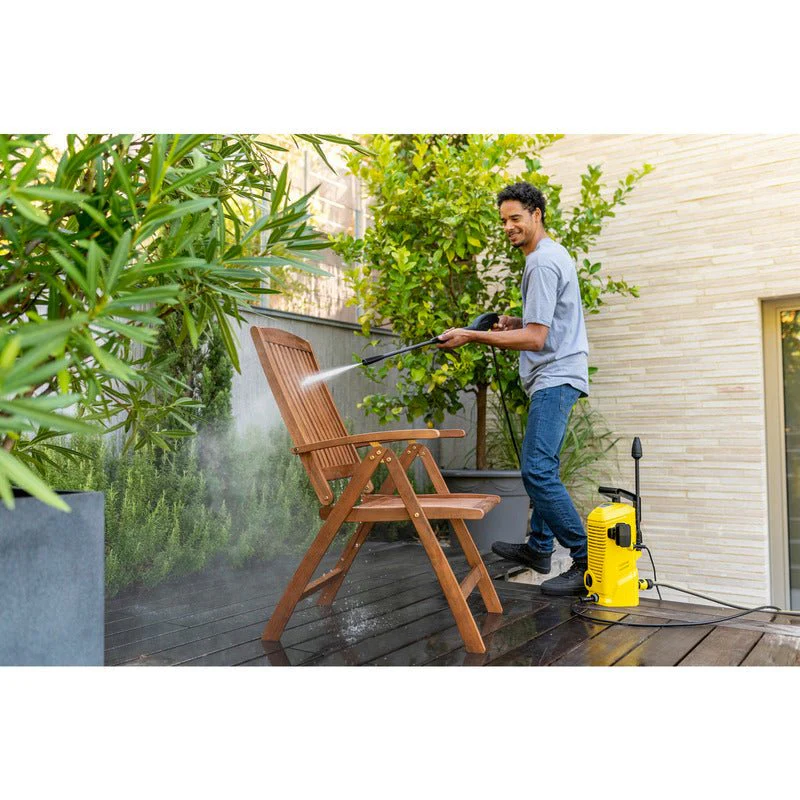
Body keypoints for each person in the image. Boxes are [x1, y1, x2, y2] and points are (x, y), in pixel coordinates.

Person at [436, 181, 589, 595]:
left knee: (536, 470)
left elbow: (537, 340)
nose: (508, 227)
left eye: (515, 218)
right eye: (503, 220)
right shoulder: (552, 255)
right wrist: (513, 323)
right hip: (559, 374)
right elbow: (544, 325)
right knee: (544, 468)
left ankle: (586, 561)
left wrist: (471, 335)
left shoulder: (541, 263)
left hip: (556, 376)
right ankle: (539, 548)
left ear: (537, 214)